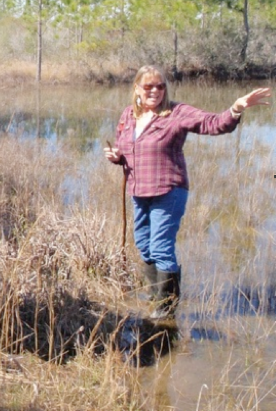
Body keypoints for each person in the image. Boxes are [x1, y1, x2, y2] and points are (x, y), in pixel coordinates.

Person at [103, 65, 271, 318]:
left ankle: (166, 309)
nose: (155, 91)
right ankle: (154, 295)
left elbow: (213, 124)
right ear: (137, 88)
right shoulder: (129, 115)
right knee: (144, 246)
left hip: (169, 190)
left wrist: (236, 109)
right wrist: (116, 156)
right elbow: (124, 149)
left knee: (160, 248)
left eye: (160, 86)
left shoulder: (177, 112)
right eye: (149, 86)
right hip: (139, 191)